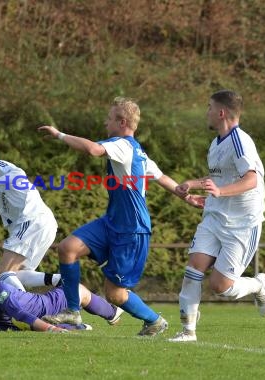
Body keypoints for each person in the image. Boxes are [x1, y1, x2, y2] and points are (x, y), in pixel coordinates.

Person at [38, 97, 204, 336]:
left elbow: (93, 149)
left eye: (109, 118)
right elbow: (161, 177)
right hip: (112, 223)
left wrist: (58, 134)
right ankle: (73, 312)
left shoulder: (123, 145)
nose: (106, 123)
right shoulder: (138, 152)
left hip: (131, 230)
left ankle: (154, 320)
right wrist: (186, 197)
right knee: (67, 249)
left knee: (114, 294)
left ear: (122, 122)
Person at [168, 90, 265, 342]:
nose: (207, 112)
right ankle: (188, 331)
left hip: (242, 223)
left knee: (220, 287)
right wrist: (193, 184)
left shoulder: (240, 141)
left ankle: (258, 285)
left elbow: (252, 179)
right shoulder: (216, 143)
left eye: (209, 107)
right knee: (194, 268)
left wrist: (221, 191)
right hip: (214, 217)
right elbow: (219, 178)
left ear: (221, 112)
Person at [0, 243, 123, 332]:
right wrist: (53, 330)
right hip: (41, 306)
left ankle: (78, 327)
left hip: (10, 324)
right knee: (79, 290)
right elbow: (22, 316)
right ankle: (112, 313)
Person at [0, 142, 61, 291]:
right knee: (16, 274)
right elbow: (11, 221)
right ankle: (61, 280)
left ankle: (25, 309)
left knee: (3, 271)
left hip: (34, 220)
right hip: (44, 224)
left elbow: (18, 175)